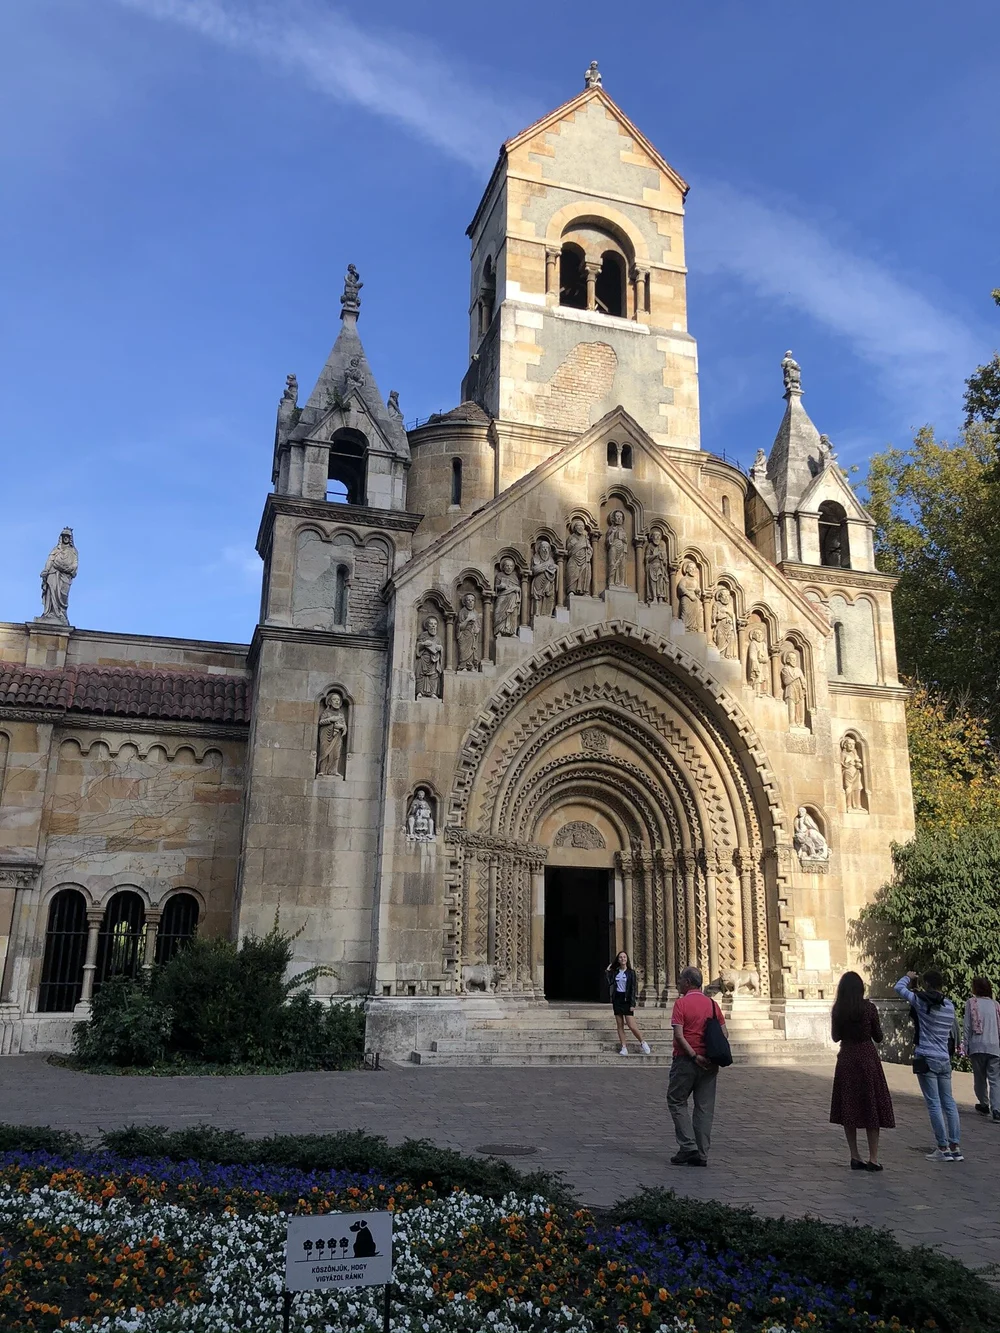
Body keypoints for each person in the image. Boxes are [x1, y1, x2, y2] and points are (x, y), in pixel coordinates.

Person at [894, 969, 963, 1161]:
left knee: (934, 1104)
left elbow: (898, 988)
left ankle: (942, 1148)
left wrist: (908, 976)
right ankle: (955, 1146)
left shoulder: (921, 1002)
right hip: (944, 1058)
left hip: (926, 1056)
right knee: (949, 1102)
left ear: (927, 984)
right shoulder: (949, 1006)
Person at [829, 971, 895, 1171]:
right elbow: (879, 1036)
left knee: (849, 1105)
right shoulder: (869, 1008)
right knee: (871, 1105)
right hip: (867, 1057)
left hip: (847, 1057)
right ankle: (873, 1158)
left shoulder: (838, 1010)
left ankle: (854, 1155)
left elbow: (835, 1037)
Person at [667, 965, 726, 1167]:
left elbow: (679, 1035)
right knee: (704, 1108)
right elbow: (724, 1034)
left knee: (676, 1100)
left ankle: (688, 1145)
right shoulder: (712, 1005)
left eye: (680, 980)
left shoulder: (681, 1004)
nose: (678, 983)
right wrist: (707, 1055)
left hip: (686, 1060)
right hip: (709, 1063)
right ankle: (701, 1154)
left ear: (688, 983)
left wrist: (694, 1056)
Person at [962, 977, 1000, 1121]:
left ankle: (984, 1104)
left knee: (979, 1077)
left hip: (977, 1045)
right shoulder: (996, 1004)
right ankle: (997, 1110)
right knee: (995, 1079)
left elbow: (967, 1026)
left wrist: (965, 1046)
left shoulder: (972, 1003)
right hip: (995, 1046)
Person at [605, 951, 650, 1056]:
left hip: (627, 999)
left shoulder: (631, 972)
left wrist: (632, 1004)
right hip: (617, 999)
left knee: (631, 1025)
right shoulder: (616, 972)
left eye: (624, 957)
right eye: (620, 957)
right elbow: (610, 982)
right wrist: (608, 971)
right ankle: (624, 1047)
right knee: (619, 1025)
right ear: (618, 959)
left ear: (627, 959)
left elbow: (633, 988)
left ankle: (643, 1042)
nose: (622, 959)